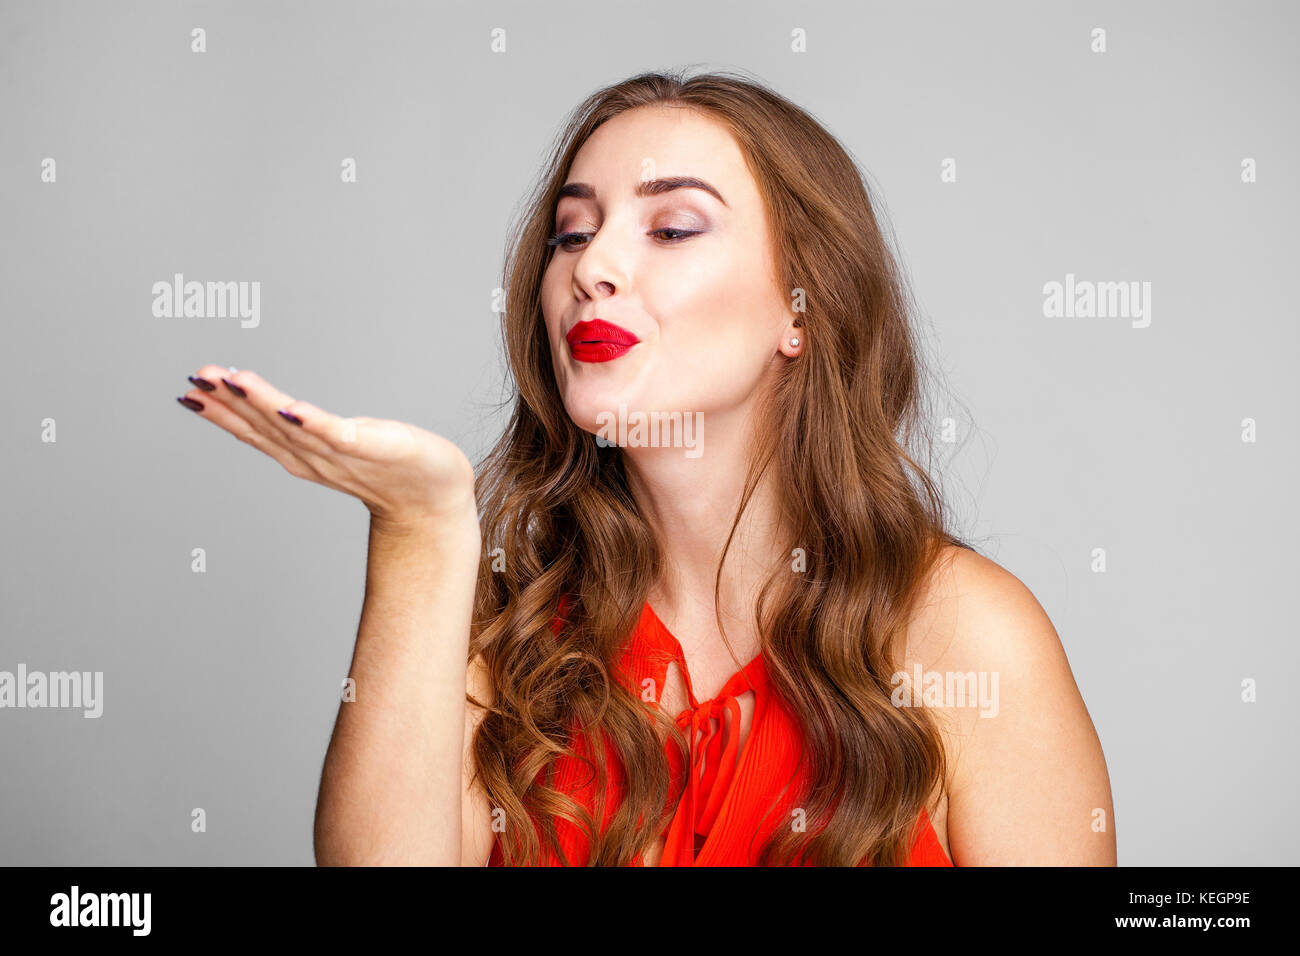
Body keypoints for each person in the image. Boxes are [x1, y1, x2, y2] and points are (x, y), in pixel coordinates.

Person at [176, 69, 1116, 866]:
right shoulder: (507, 651)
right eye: (573, 234)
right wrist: (418, 533)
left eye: (671, 229)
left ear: (803, 307)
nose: (594, 268)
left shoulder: (966, 637)